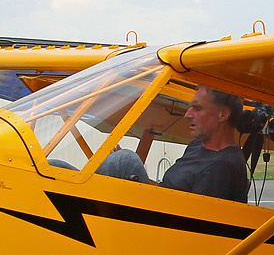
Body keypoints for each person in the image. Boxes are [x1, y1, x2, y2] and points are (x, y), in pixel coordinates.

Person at [96, 86, 250, 203]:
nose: (187, 114)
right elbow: (169, 191)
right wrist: (128, 176)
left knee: (125, 160)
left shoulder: (221, 166)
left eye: (197, 108)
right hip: (160, 208)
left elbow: (192, 222)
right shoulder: (197, 145)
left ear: (223, 114)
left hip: (161, 228)